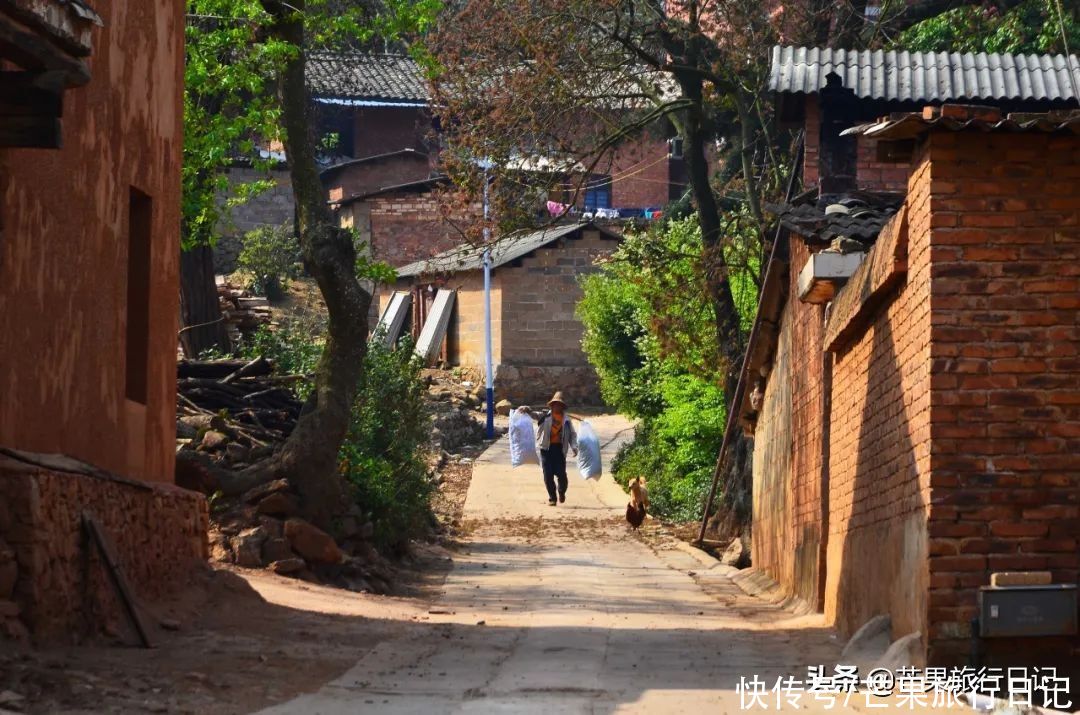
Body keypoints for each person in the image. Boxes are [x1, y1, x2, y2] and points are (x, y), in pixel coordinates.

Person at [523, 391, 578, 506]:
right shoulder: (545, 416)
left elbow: (572, 435)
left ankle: (561, 492)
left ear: (562, 407)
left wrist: (574, 447)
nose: (557, 406)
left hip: (559, 450)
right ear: (552, 405)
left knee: (561, 475)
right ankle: (552, 498)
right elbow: (534, 414)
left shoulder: (566, 420)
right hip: (546, 449)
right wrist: (527, 410)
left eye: (559, 404)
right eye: (555, 404)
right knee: (548, 475)